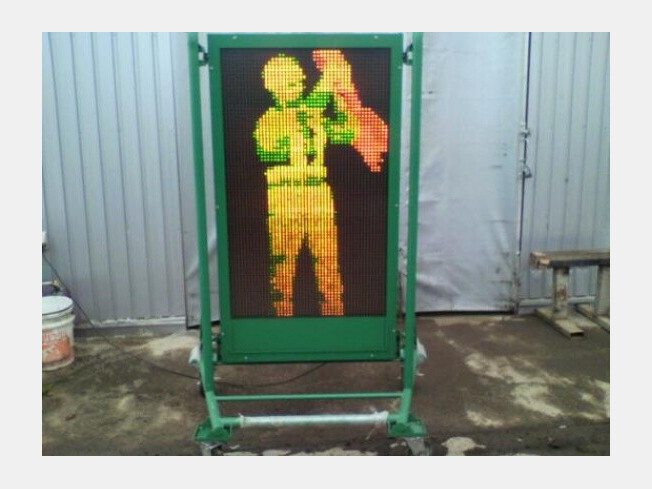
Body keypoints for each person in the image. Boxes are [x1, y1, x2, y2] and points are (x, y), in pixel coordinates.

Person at [254, 50, 388, 317]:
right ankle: (282, 323)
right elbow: (273, 144)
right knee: (282, 266)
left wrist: (341, 96)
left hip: (318, 194)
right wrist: (329, 77)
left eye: (299, 82)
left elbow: (348, 131)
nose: (298, 87)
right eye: (291, 83)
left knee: (327, 263)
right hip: (284, 196)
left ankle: (334, 318)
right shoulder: (269, 120)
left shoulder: (314, 117)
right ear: (274, 88)